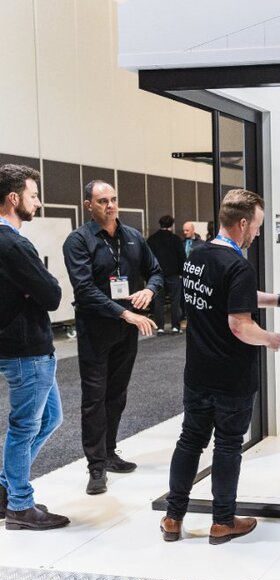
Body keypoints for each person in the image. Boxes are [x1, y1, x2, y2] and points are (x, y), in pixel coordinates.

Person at [160, 189, 280, 545]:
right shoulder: (239, 264)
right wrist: (270, 338)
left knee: (190, 440)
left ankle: (172, 517)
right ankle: (223, 522)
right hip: (231, 377)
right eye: (256, 226)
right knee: (227, 445)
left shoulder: (198, 254)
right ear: (242, 224)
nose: (257, 233)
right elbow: (240, 325)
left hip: (197, 373)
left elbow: (228, 293)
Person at [62, 180, 162, 495]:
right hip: (96, 329)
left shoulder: (132, 237)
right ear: (88, 204)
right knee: (94, 398)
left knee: (116, 394)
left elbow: (156, 270)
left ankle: (109, 452)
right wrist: (124, 313)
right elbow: (84, 290)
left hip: (126, 330)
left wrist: (150, 289)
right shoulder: (78, 241)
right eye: (102, 200)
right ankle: (95, 468)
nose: (110, 205)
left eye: (114, 199)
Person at [0, 164, 69, 530]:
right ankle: (20, 507)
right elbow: (53, 294)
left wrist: (37, 287)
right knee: (24, 427)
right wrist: (40, 285)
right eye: (33, 195)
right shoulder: (13, 242)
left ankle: (5, 489)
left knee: (50, 419)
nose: (38, 202)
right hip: (27, 351)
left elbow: (40, 290)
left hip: (23, 347)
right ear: (14, 198)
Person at [147, 215, 186, 334]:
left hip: (157, 275)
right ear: (172, 225)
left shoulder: (152, 239)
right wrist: (181, 273)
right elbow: (182, 257)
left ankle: (160, 327)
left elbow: (147, 258)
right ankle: (175, 326)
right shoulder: (175, 239)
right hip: (174, 274)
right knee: (175, 301)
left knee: (159, 301)